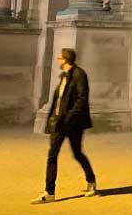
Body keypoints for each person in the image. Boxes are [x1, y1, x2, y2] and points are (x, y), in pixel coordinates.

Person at [31, 48, 97, 204]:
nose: (58, 60)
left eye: (59, 58)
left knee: (77, 154)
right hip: (59, 122)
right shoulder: (63, 77)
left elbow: (82, 99)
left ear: (66, 60)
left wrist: (67, 118)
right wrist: (52, 120)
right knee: (52, 155)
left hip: (73, 123)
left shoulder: (79, 75)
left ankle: (91, 181)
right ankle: (49, 192)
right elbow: (58, 101)